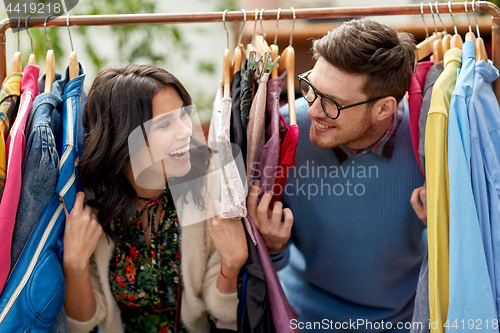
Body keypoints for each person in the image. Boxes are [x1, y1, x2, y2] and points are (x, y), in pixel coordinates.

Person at [249, 19, 428, 331]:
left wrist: (443, 228)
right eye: (311, 88)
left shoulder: (427, 147)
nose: (314, 110)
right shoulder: (283, 133)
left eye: (332, 103)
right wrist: (274, 247)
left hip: (404, 321)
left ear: (384, 108)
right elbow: (268, 264)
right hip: (304, 321)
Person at [62, 64, 250, 333]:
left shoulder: (210, 188)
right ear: (124, 139)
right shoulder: (88, 205)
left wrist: (232, 264)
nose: (186, 131)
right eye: (164, 124)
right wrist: (75, 265)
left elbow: (224, 311)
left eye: (183, 115)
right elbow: (82, 324)